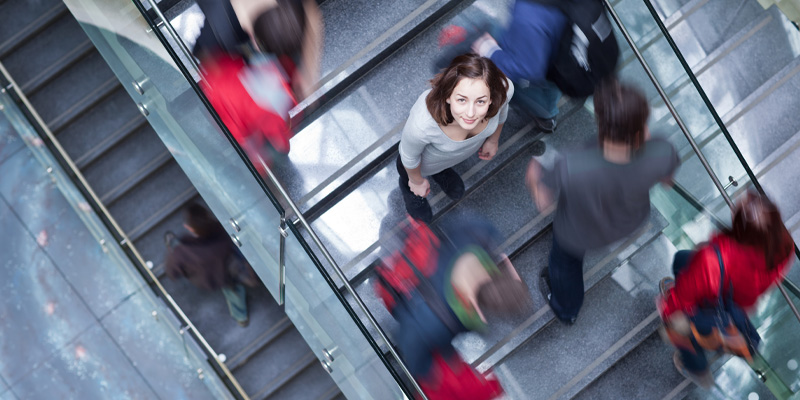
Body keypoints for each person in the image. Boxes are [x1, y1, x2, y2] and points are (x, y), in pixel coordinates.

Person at [526, 78, 679, 324]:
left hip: (576, 232)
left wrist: (534, 175)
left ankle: (566, 308)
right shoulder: (661, 150)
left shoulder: (574, 164)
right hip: (630, 220)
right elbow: (667, 179)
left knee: (564, 263)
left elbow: (543, 198)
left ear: (602, 125)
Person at [375, 217, 531, 399]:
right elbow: (409, 341)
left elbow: (455, 221)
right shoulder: (444, 324)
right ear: (482, 310)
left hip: (407, 253)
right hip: (401, 292)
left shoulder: (477, 235)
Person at [657, 191, 794, 388]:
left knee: (679, 324)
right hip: (735, 294)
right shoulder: (784, 248)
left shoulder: (714, 257)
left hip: (717, 285)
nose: (737, 204)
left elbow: (675, 305)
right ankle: (733, 331)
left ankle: (697, 367)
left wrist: (668, 309)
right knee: (683, 259)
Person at [398, 53, 513, 222]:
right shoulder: (422, 125)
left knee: (443, 164)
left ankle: (441, 173)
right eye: (462, 100)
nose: (471, 113)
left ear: (492, 98)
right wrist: (416, 182)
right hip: (421, 166)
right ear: (448, 95)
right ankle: (409, 190)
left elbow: (503, 110)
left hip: (448, 159)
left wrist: (493, 139)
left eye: (480, 101)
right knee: (408, 179)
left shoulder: (504, 89)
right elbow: (408, 156)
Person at [471, 0, 568, 133]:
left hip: (546, 71)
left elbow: (525, 70)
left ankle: (546, 115)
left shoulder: (528, 14)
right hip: (561, 53)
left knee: (519, 85)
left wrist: (489, 50)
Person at [165, 204, 253, 327]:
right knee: (234, 291)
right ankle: (241, 317)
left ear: (190, 228)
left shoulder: (182, 252)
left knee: (232, 291)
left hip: (210, 278)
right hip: (228, 271)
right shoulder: (221, 232)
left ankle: (241, 317)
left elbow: (172, 273)